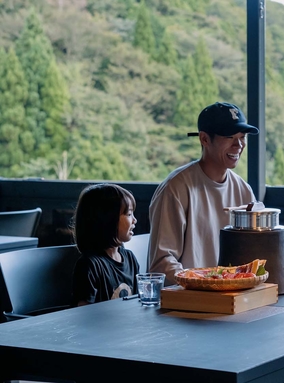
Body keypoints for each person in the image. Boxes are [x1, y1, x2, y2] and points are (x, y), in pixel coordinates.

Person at [148, 102, 258, 285]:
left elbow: (253, 255)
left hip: (234, 296)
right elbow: (161, 263)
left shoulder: (243, 190)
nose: (239, 144)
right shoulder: (176, 188)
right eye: (230, 136)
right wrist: (202, 283)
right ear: (204, 139)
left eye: (242, 137)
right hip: (187, 300)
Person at [71, 184, 140, 306]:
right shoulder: (89, 266)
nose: (135, 220)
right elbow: (82, 316)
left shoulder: (130, 258)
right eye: (129, 214)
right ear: (108, 220)